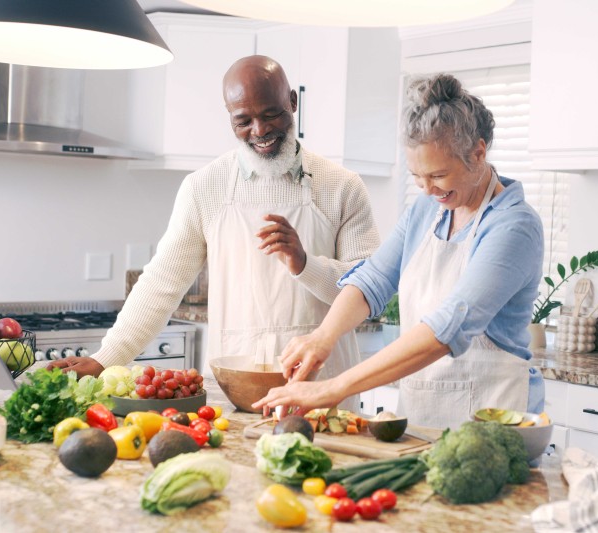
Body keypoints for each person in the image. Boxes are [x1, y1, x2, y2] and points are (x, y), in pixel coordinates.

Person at [49, 55, 380, 411]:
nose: (260, 130)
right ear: (230, 119)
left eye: (271, 114)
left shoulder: (342, 187)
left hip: (325, 388)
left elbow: (369, 293)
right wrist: (106, 358)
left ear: (293, 103)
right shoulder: (205, 187)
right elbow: (163, 282)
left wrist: (304, 263)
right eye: (243, 121)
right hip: (237, 387)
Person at [254, 73, 546, 430]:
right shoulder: (429, 209)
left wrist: (333, 388)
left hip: (496, 426)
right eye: (416, 176)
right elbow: (374, 280)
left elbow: (447, 328)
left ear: (478, 153)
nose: (426, 189)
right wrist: (321, 338)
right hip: (424, 421)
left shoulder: (513, 227)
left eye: (438, 175)